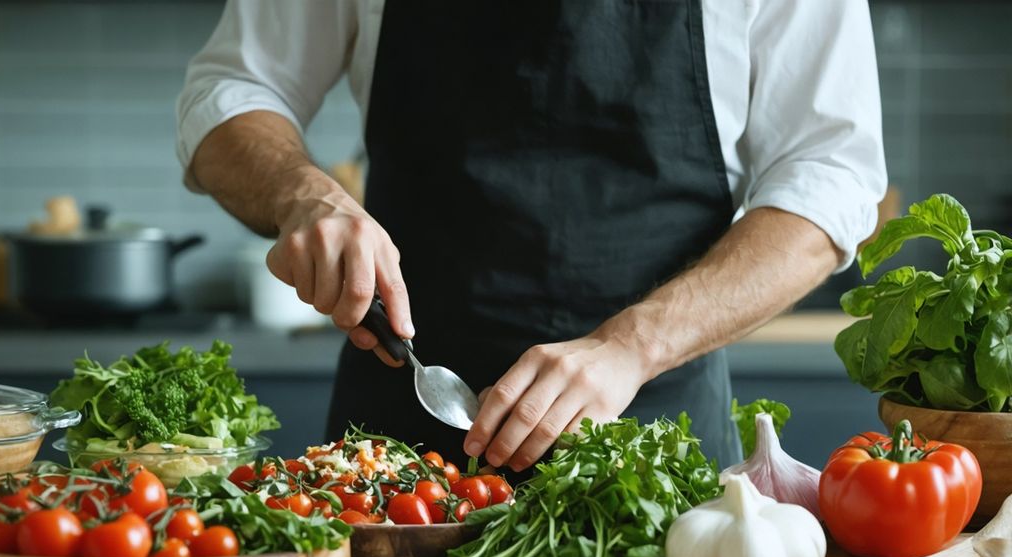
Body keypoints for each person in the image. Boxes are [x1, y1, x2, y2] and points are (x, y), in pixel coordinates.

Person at [176, 0, 886, 471]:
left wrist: (632, 346)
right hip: (397, 443)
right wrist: (307, 197)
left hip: (656, 455)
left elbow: (831, 172)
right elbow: (234, 89)